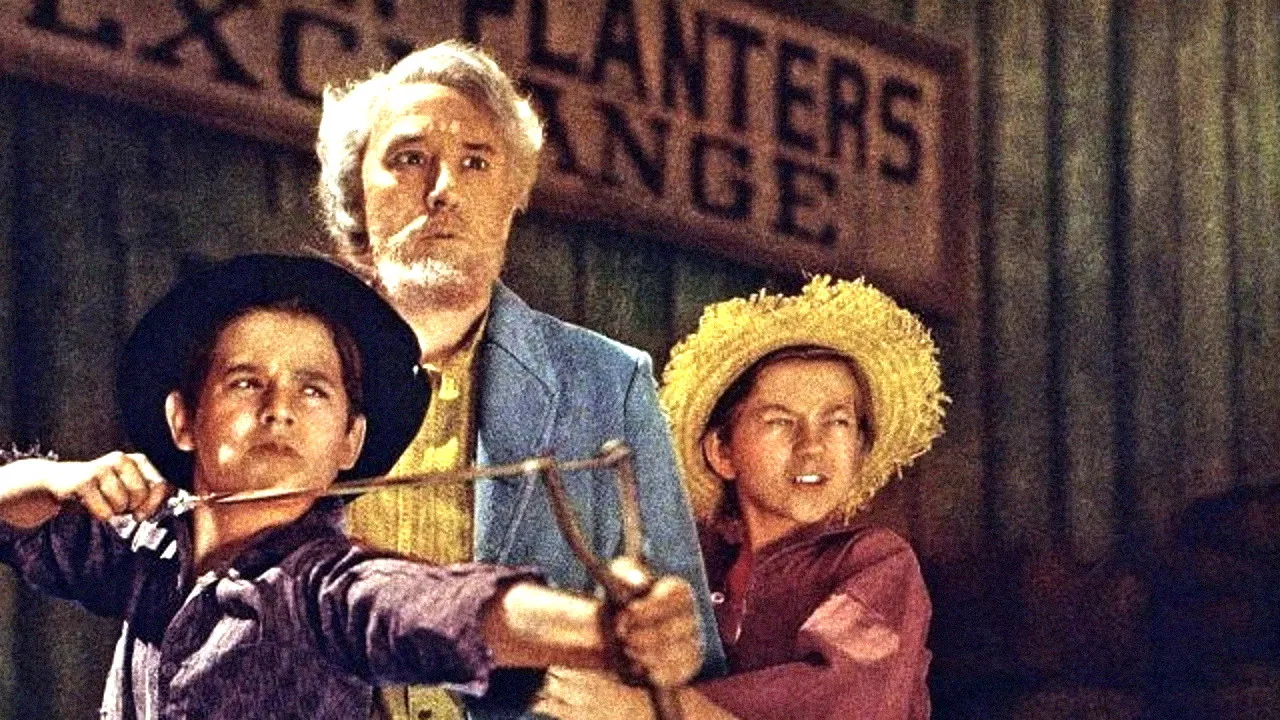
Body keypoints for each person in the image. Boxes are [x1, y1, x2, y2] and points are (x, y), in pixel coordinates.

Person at [0, 254, 702, 720]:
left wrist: (607, 630)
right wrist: (57, 479)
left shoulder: (327, 586)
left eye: (313, 389)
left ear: (350, 442)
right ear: (183, 420)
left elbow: (440, 606)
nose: (279, 409)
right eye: (245, 382)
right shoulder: (142, 554)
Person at [315, 39, 724, 719]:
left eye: (476, 162)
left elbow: (687, 670)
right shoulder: (274, 373)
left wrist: (642, 682)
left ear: (512, 199)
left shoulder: (609, 384)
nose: (443, 190)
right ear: (357, 196)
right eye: (409, 158)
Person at [535, 276, 946, 720]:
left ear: (860, 448)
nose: (812, 446)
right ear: (722, 452)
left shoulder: (875, 562)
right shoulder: (691, 562)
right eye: (779, 421)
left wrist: (645, 711)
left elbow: (848, 700)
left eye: (838, 422)